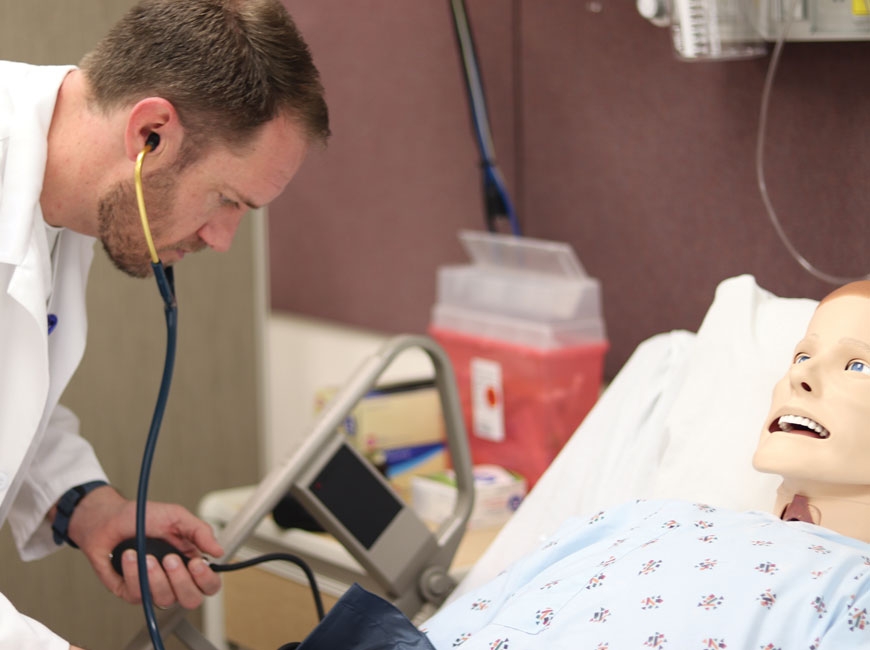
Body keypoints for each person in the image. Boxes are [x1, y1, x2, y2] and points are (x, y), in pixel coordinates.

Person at [0, 1, 329, 648]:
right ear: (150, 132)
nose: (224, 238)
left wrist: (88, 506)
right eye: (228, 200)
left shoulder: (57, 191)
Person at [408, 281, 870, 648]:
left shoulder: (855, 591)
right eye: (802, 354)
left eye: (857, 366)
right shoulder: (643, 518)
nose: (800, 374)